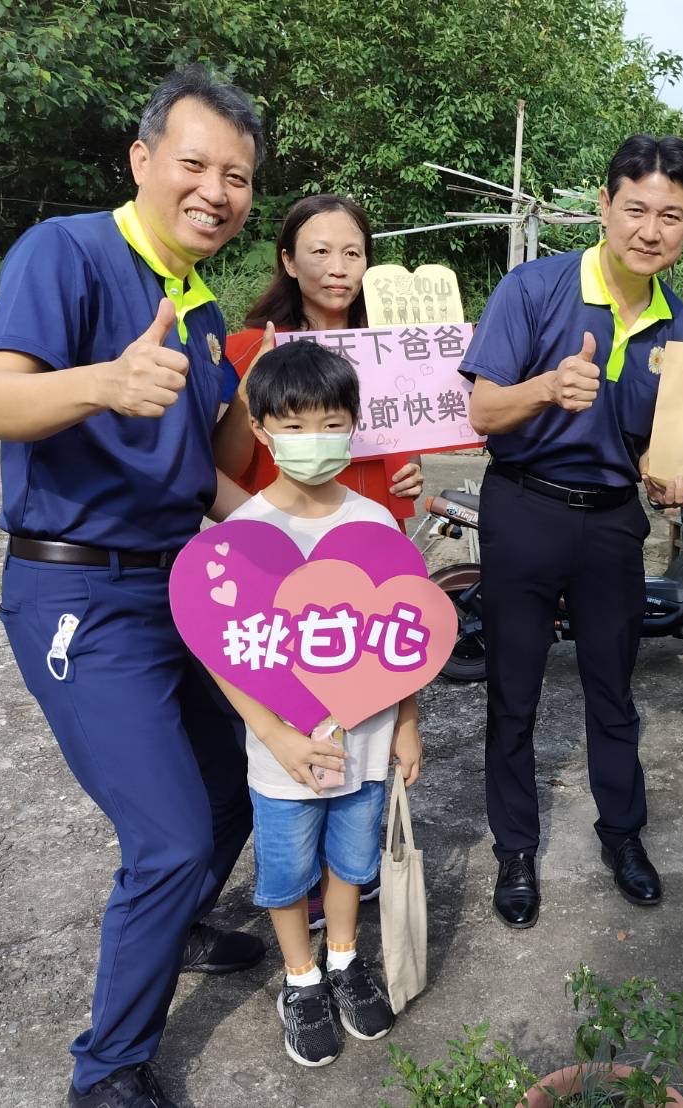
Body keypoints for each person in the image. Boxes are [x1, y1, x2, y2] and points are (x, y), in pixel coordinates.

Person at [0, 68, 269, 1108]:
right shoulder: (69, 252)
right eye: (194, 164)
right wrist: (101, 380)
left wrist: (291, 514)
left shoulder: (201, 301)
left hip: (178, 579)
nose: (215, 190)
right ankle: (108, 1069)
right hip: (77, 594)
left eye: (236, 177)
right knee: (172, 834)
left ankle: (176, 922)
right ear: (141, 161)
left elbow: (202, 475)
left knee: (230, 791)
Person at [459, 134, 683, 928]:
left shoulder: (680, 330)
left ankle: (622, 836)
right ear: (602, 206)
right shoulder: (534, 289)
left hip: (609, 521)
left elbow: (660, 449)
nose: (650, 229)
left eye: (671, 215)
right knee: (515, 691)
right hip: (522, 507)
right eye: (635, 208)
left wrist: (673, 476)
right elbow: (481, 411)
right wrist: (543, 386)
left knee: (613, 689)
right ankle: (515, 850)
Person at [209, 340, 420, 1070]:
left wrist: (408, 723)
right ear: (262, 431)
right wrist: (277, 736)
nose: (313, 442)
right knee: (286, 871)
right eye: (293, 427)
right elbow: (227, 655)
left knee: (349, 863)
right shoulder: (244, 534)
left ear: (353, 425)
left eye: (331, 423)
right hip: (283, 757)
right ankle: (299, 981)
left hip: (364, 741)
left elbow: (406, 635)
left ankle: (342, 960)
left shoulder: (375, 522)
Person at [215, 195, 424, 526]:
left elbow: (404, 439)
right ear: (290, 261)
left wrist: (410, 468)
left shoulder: (394, 348)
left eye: (352, 254)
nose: (338, 269)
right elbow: (222, 466)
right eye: (321, 252)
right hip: (274, 545)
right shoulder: (245, 351)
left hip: (374, 541)